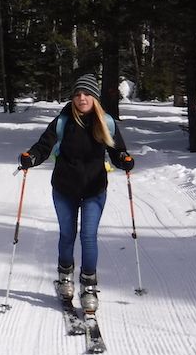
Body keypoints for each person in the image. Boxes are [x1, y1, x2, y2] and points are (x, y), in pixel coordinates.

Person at [18, 74, 134, 314]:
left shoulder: (106, 122)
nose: (82, 98)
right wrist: (32, 157)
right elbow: (43, 146)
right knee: (67, 234)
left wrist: (124, 159)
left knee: (88, 236)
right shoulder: (63, 121)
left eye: (87, 94)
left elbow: (117, 151)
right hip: (64, 189)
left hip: (94, 189)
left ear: (95, 98)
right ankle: (65, 278)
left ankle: (89, 287)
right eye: (78, 94)